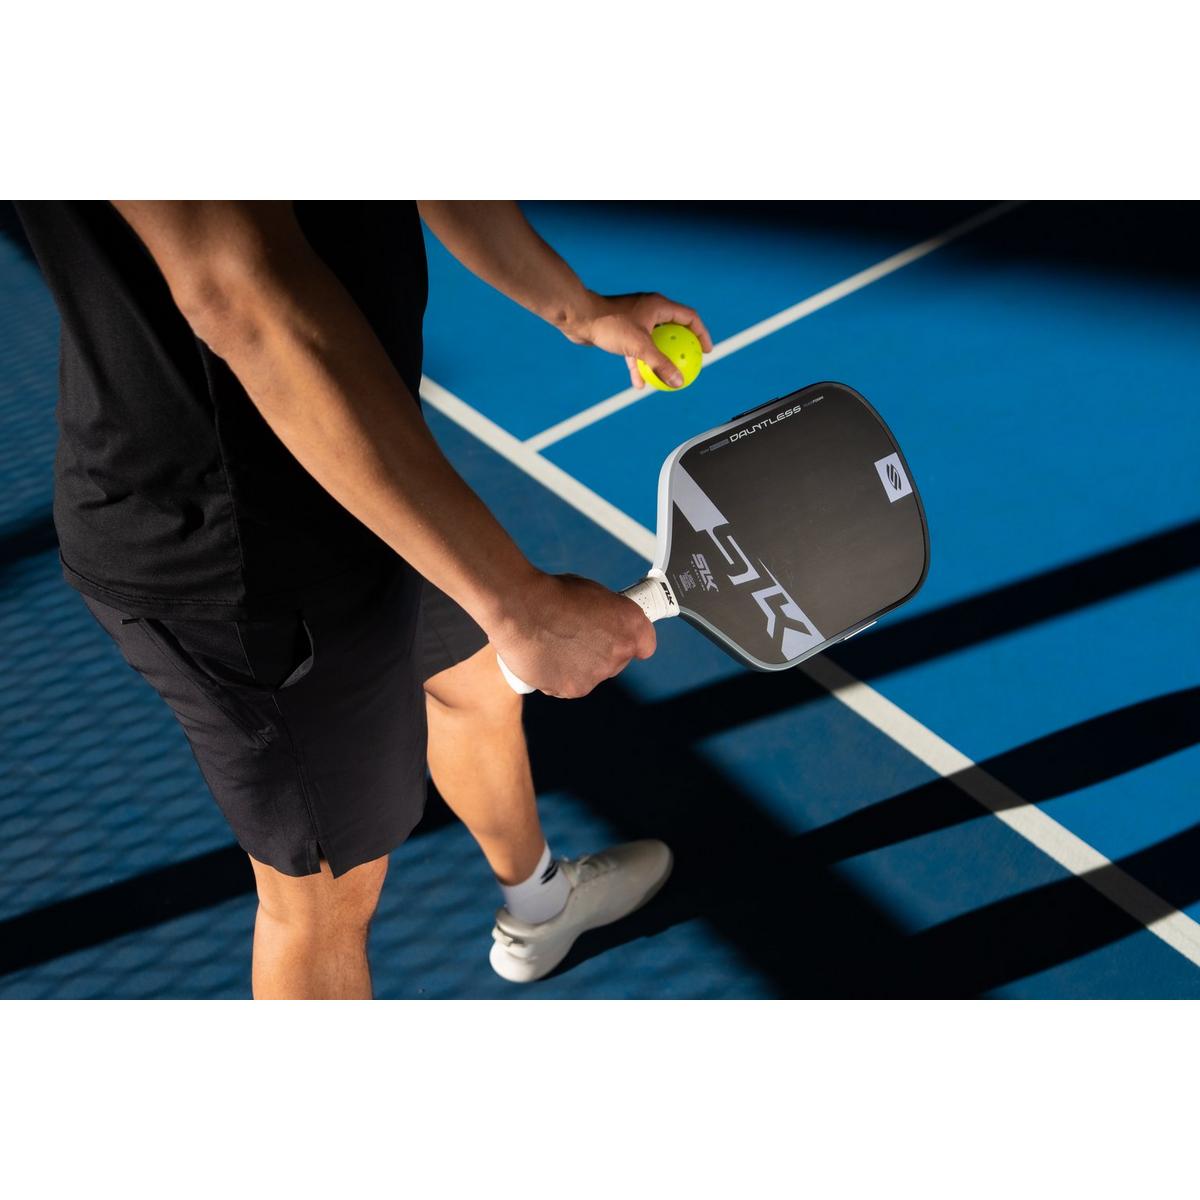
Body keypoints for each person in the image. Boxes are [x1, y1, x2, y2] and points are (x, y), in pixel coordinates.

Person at [14, 201, 714, 999]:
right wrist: (516, 602)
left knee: (473, 680)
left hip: (359, 478)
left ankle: (542, 905)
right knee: (320, 905)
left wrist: (577, 308)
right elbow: (242, 293)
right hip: (245, 544)